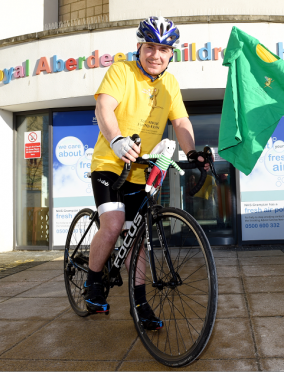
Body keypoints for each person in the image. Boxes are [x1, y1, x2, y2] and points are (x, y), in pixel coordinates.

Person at [86, 16, 209, 328]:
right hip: (110, 165)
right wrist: (115, 140)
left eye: (164, 49)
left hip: (143, 172)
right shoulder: (121, 71)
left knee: (137, 239)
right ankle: (93, 280)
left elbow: (180, 122)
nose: (156, 55)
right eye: (150, 47)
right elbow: (104, 107)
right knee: (113, 225)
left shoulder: (170, 84)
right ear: (139, 47)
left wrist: (192, 151)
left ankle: (139, 304)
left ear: (171, 54)